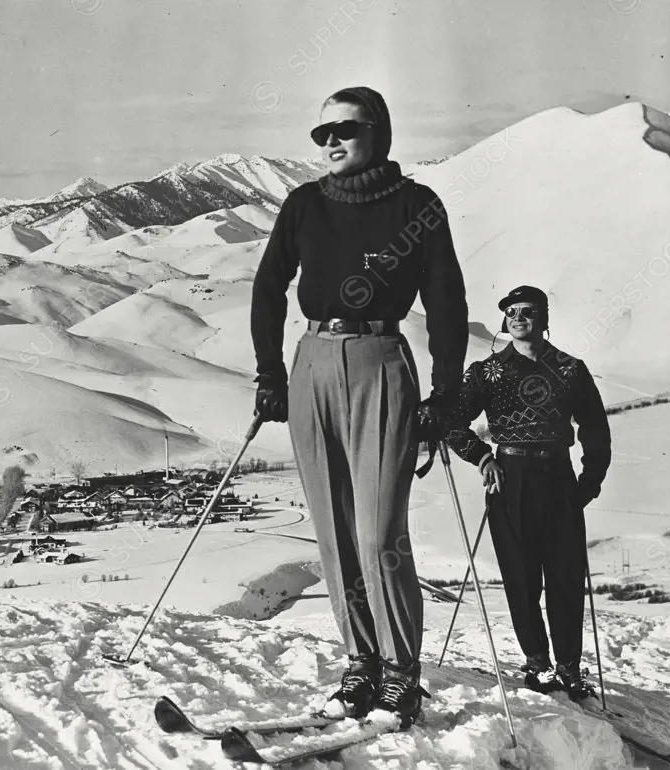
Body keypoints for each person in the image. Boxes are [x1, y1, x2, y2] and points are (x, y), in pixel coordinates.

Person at [250, 86, 469, 726]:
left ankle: (402, 673)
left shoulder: (416, 205)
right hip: (312, 361)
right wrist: (269, 372)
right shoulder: (304, 205)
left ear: (380, 131)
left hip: (381, 361)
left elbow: (447, 302)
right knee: (334, 533)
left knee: (378, 534)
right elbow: (268, 288)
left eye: (346, 128)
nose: (332, 141)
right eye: (321, 133)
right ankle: (360, 664)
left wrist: (447, 389)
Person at [443, 286, 611, 700]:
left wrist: (589, 482)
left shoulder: (571, 369)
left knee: (567, 578)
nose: (518, 317)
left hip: (559, 477)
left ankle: (570, 669)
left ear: (545, 316)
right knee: (521, 580)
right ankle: (538, 665)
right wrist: (483, 457)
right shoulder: (487, 372)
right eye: (511, 311)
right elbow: (451, 423)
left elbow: (595, 429)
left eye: (528, 311)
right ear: (504, 321)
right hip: (510, 477)